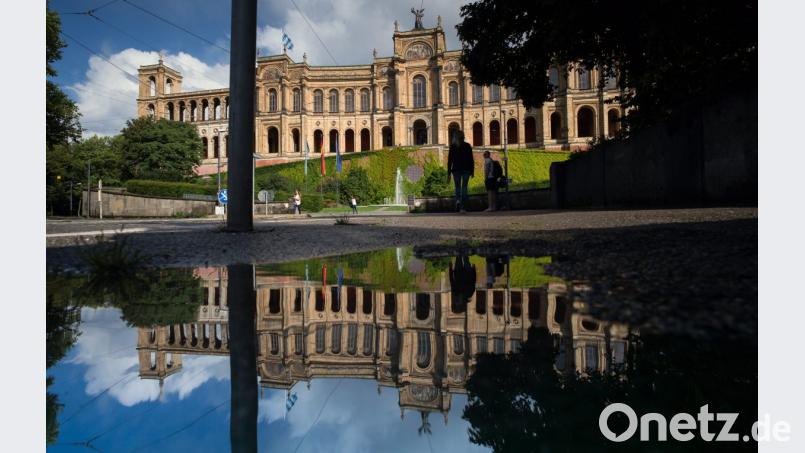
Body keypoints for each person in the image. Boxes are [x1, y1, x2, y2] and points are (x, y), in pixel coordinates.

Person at [447, 130, 474, 212]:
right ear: (463, 136)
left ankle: (458, 200)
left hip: (456, 170)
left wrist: (448, 173)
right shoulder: (467, 146)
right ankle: (463, 207)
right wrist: (472, 171)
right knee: (464, 188)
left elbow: (449, 161)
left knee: (457, 187)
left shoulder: (453, 146)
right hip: (466, 169)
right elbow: (471, 160)